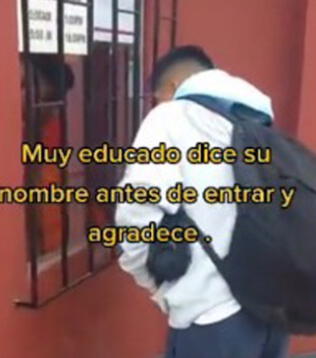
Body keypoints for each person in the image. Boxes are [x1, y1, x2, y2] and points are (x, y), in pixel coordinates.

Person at [115, 45, 288, 358]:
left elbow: (137, 208)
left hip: (211, 318)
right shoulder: (255, 120)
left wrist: (158, 285)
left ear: (171, 88)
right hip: (270, 312)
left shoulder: (169, 116)